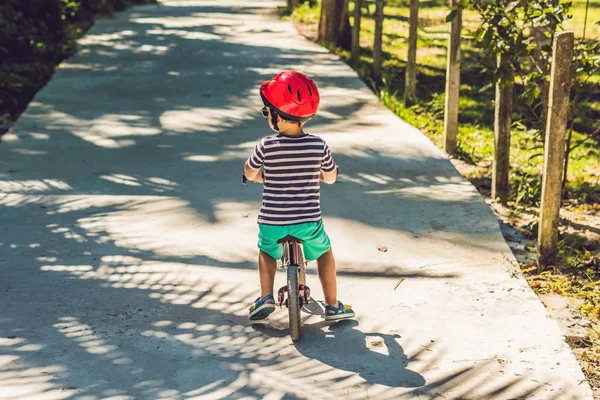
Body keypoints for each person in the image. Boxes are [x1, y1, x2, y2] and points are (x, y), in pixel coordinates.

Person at [244, 71, 355, 322]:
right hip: (308, 224)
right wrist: (321, 175)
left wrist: (258, 177)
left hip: (272, 223)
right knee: (325, 253)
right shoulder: (318, 145)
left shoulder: (265, 145)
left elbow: (249, 171)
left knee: (266, 251)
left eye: (266, 111)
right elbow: (330, 177)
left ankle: (265, 297)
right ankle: (333, 305)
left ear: (276, 115)